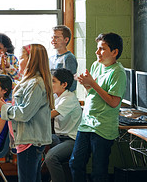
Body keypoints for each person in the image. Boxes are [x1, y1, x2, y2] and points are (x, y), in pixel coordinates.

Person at [0, 44, 54, 182]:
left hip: (30, 140)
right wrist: (3, 106)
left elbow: (24, 113)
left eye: (22, 57)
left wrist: (3, 108)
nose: (19, 61)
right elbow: (22, 107)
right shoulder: (30, 81)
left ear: (31, 60)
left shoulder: (35, 84)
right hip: (26, 139)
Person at [69, 33, 126, 182]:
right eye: (97, 48)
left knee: (98, 172)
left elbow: (113, 102)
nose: (97, 52)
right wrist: (87, 84)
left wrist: (93, 84)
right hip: (86, 123)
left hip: (103, 127)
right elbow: (92, 93)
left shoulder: (118, 72)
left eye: (102, 49)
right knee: (75, 163)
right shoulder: (96, 65)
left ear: (114, 52)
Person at [45, 68, 82, 182]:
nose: (50, 84)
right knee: (35, 141)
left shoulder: (68, 98)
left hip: (71, 140)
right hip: (59, 138)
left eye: (53, 81)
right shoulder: (58, 97)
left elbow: (48, 116)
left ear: (64, 84)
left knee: (51, 158)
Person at [50, 25, 78, 92]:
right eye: (52, 38)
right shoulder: (51, 58)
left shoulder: (68, 58)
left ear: (66, 40)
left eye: (56, 37)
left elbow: (72, 83)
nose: (53, 40)